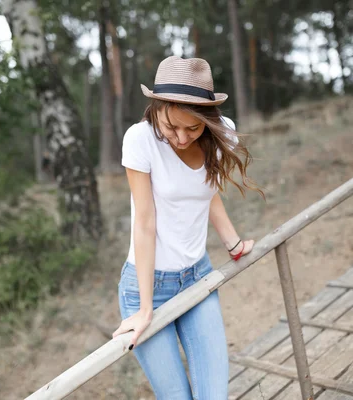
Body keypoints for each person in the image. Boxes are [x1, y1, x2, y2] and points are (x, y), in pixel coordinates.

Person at [112, 55, 262, 399]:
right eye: (172, 127)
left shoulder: (222, 133)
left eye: (192, 129)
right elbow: (145, 223)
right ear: (157, 109)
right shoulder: (140, 139)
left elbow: (205, 192)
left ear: (208, 120)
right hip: (146, 287)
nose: (181, 137)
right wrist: (146, 308)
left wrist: (233, 243)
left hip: (197, 276)